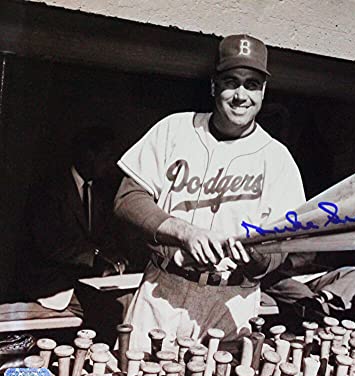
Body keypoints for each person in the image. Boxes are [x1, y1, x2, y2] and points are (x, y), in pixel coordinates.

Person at [114, 34, 306, 350]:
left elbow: (287, 245)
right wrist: (184, 231)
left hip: (232, 299)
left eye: (252, 84)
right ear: (214, 86)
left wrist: (257, 260)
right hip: (165, 288)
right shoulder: (174, 129)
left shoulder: (278, 158)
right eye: (231, 81)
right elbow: (127, 199)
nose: (241, 94)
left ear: (263, 92)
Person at [21, 126, 128, 315]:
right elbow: (51, 245)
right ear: (88, 155)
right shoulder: (50, 190)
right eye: (106, 157)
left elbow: (105, 236)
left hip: (87, 281)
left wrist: (115, 258)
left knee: (125, 303)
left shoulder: (102, 190)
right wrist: (96, 258)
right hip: (51, 283)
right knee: (104, 311)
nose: (111, 164)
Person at [261, 252, 355, 323]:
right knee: (306, 298)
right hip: (283, 277)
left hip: (316, 277)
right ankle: (323, 315)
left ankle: (323, 297)